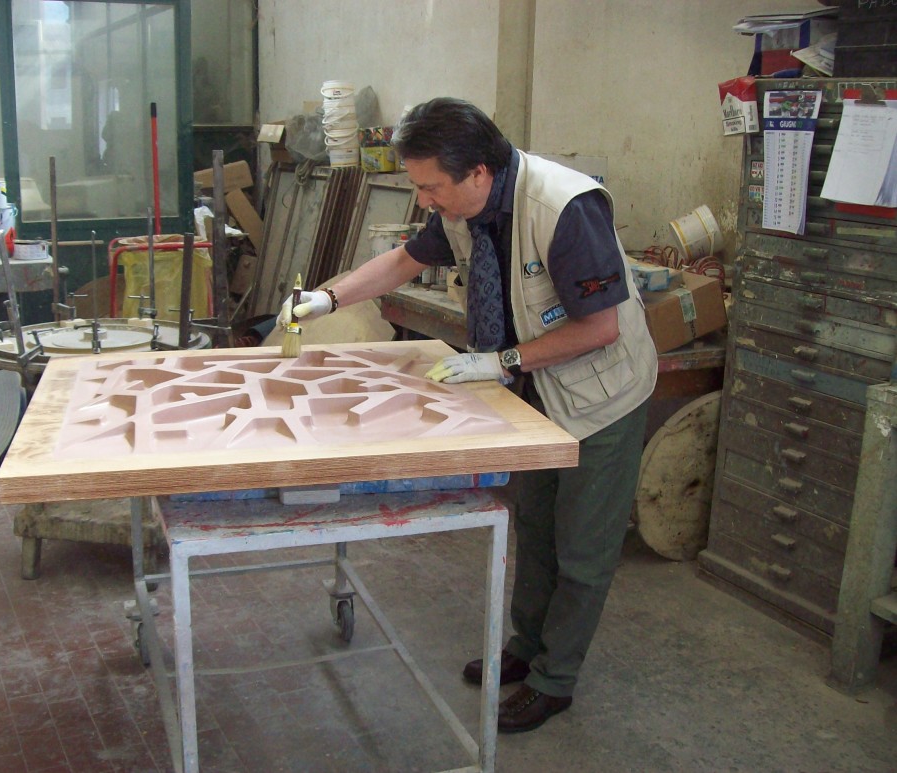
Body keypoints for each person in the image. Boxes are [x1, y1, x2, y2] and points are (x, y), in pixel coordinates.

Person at [276, 97, 657, 734]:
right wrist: (328, 297)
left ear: (479, 171)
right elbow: (406, 260)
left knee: (582, 549)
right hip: (534, 389)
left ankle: (555, 680)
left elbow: (600, 329)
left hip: (599, 397)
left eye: (431, 187)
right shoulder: (463, 205)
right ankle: (526, 647)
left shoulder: (566, 210)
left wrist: (501, 360)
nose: (424, 200)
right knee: (536, 527)